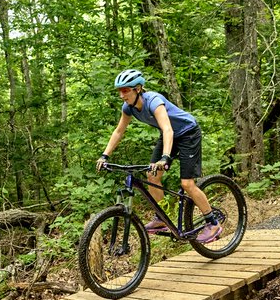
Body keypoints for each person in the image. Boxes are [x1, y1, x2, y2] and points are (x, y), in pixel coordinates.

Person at [96, 69, 225, 243]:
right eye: (119, 91)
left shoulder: (154, 101)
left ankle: (212, 222)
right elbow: (119, 132)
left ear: (138, 89)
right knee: (152, 176)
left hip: (188, 133)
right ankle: (162, 218)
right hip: (169, 136)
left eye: (125, 90)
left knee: (187, 183)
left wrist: (165, 157)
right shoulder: (128, 108)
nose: (121, 95)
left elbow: (167, 129)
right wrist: (105, 155)